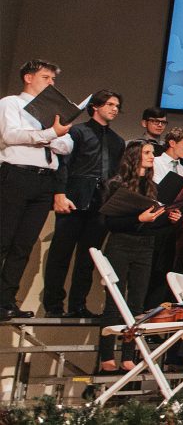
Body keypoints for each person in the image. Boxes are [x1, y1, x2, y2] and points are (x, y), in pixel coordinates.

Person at [98, 141, 181, 374]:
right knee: (115, 301)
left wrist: (168, 217)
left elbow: (153, 224)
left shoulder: (152, 187)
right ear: (134, 156)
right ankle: (106, 355)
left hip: (146, 246)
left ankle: (127, 355)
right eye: (146, 153)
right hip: (121, 244)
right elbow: (109, 222)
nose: (151, 157)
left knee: (137, 302)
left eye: (152, 153)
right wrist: (138, 220)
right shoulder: (116, 184)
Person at [0, 59, 74, 320]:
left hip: (45, 181)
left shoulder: (53, 111)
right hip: (16, 175)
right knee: (3, 240)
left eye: (53, 79)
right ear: (28, 78)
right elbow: (11, 135)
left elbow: (67, 145)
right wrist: (49, 134)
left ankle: (6, 301)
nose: (51, 83)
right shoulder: (11, 103)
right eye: (46, 78)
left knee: (24, 244)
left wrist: (51, 134)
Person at [43, 89, 126, 318]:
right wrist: (60, 193)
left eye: (117, 106)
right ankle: (53, 305)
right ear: (95, 107)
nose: (114, 109)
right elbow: (64, 165)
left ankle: (78, 304)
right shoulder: (78, 132)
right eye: (109, 104)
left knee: (89, 258)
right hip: (75, 198)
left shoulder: (117, 141)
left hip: (101, 202)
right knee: (61, 254)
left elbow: (116, 175)